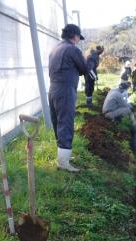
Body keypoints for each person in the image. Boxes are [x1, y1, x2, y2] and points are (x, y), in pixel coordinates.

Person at [48, 24, 88, 172]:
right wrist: (89, 60)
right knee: (65, 122)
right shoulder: (72, 49)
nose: (78, 40)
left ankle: (62, 156)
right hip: (65, 89)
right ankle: (64, 163)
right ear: (74, 36)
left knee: (58, 122)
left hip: (53, 89)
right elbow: (84, 69)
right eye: (78, 37)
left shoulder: (54, 49)